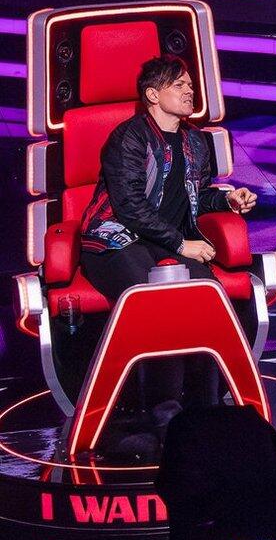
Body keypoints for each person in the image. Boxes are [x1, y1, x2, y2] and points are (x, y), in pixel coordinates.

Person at [79, 55, 260, 440]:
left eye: (190, 85)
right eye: (179, 85)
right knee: (156, 300)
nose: (190, 91)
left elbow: (195, 196)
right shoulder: (129, 138)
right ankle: (163, 411)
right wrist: (182, 243)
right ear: (152, 95)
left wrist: (227, 200)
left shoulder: (195, 140)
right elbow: (129, 205)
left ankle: (205, 406)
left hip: (168, 244)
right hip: (116, 239)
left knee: (206, 298)